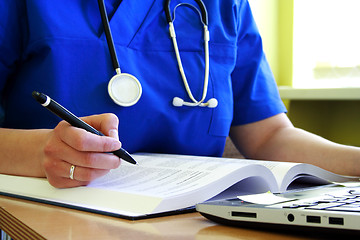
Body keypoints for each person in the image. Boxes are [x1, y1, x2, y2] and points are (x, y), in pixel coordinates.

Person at [1, 0, 359, 189]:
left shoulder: (224, 5)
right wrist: (39, 153)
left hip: (193, 222)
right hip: (51, 215)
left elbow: (270, 135)